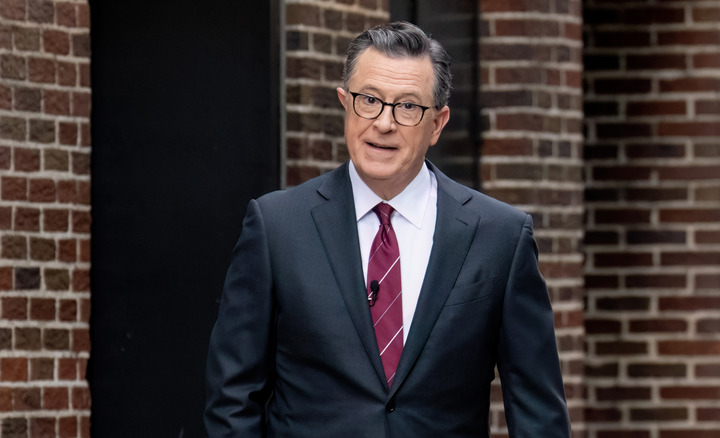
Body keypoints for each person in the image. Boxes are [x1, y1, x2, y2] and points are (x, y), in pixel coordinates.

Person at [204, 21, 570, 438]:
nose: (383, 122)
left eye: (408, 106)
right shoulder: (276, 227)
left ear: (437, 123)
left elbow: (539, 414)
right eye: (369, 100)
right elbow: (233, 400)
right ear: (344, 102)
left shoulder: (500, 236)